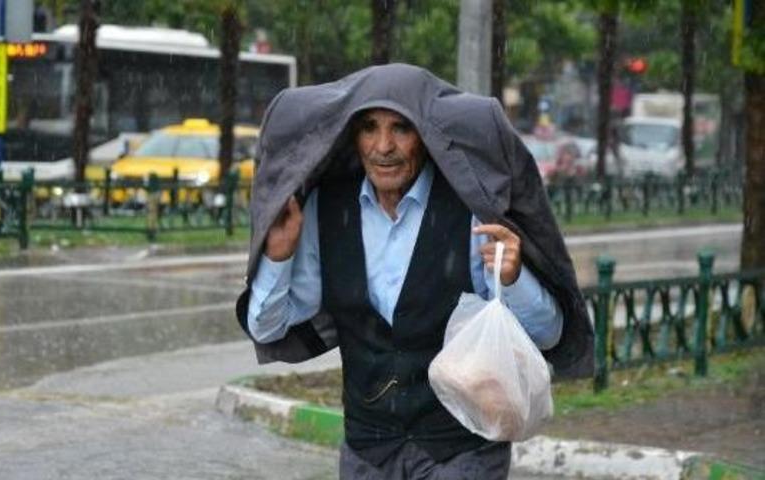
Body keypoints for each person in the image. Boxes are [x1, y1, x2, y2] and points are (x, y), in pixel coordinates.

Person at [236, 64, 593, 479]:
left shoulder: (469, 209)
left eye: (401, 128)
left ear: (426, 135)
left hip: (462, 451)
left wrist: (513, 279)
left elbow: (548, 333)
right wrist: (278, 257)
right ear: (353, 136)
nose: (383, 146)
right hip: (368, 451)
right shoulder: (325, 209)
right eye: (369, 127)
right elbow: (266, 328)